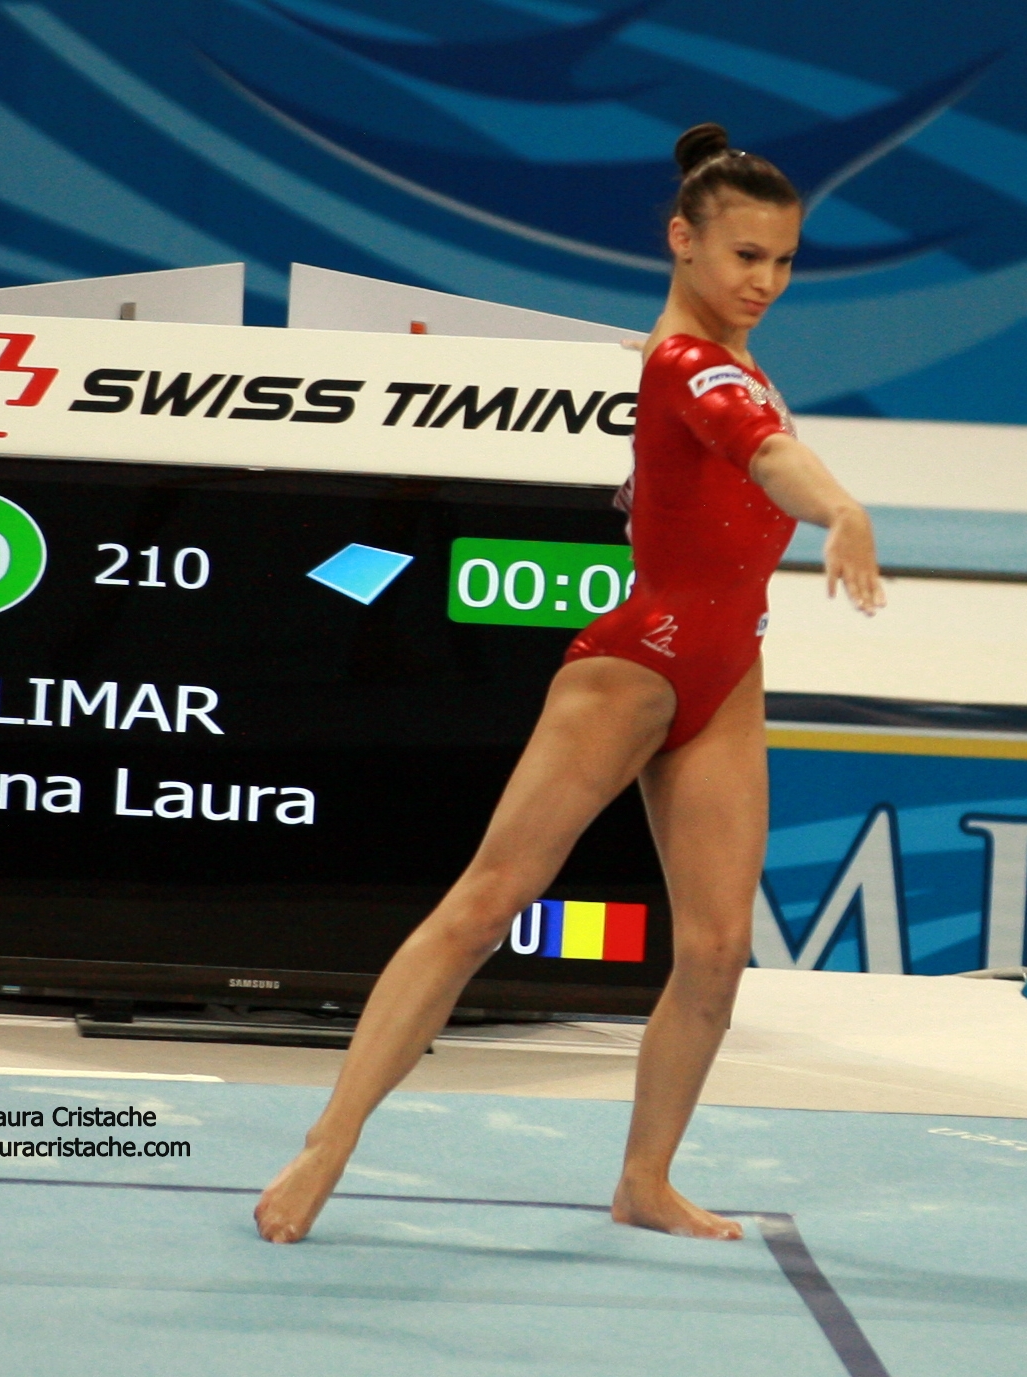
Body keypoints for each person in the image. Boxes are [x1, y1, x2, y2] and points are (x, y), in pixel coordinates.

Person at [255, 122, 885, 1245]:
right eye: (746, 256)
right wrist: (840, 507)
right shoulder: (684, 364)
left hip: (726, 671)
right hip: (633, 668)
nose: (767, 281)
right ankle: (328, 1142)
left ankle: (644, 1181)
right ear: (683, 240)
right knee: (486, 905)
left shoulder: (737, 359)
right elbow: (761, 452)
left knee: (714, 952)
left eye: (785, 260)